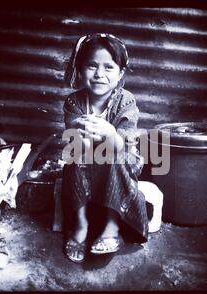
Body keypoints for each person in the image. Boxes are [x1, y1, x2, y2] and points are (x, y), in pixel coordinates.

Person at [61, 33, 148, 263]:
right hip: (87, 158)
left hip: (121, 157)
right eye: (92, 66)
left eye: (109, 67)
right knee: (74, 158)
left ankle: (112, 228)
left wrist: (109, 132)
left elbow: (125, 144)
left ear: (120, 74)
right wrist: (83, 139)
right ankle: (81, 225)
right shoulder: (74, 102)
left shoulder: (125, 101)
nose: (100, 74)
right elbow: (76, 143)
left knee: (116, 157)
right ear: (80, 70)